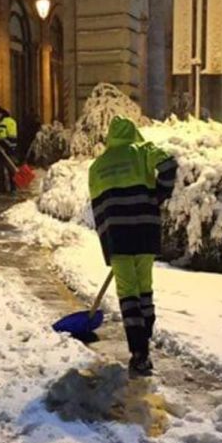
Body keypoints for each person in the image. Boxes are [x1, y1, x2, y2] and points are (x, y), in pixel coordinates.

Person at [88, 116, 177, 376]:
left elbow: (98, 209)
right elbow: (169, 165)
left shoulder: (97, 166)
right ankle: (145, 336)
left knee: (128, 292)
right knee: (144, 287)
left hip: (118, 236)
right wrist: (158, 196)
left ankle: (139, 352)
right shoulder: (143, 151)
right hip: (145, 230)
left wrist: (108, 242)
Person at [0, 104, 18, 194]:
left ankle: (13, 188)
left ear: (0, 113)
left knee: (10, 169)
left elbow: (11, 136)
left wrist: (8, 146)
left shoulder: (9, 121)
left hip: (7, 149)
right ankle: (1, 188)